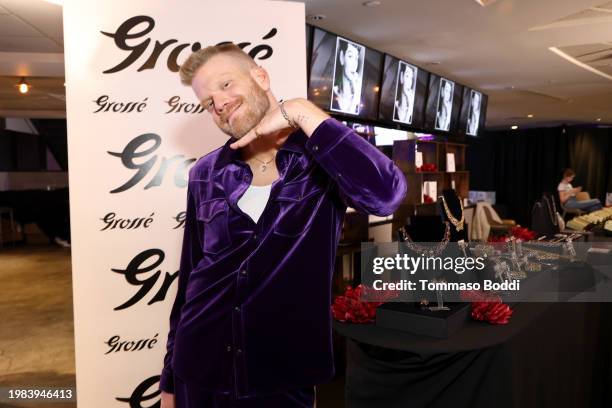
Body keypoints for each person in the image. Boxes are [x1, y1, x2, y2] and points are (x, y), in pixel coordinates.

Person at [159, 43, 406, 408]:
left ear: (260, 76)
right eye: (209, 102)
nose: (220, 103)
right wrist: (170, 379)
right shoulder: (204, 173)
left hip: (283, 373)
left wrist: (301, 112)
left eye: (226, 85)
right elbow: (191, 278)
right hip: (201, 367)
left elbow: (386, 195)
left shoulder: (321, 156)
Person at [331, 39, 363, 114]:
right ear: (342, 57)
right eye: (350, 56)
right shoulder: (334, 90)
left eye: (356, 58)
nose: (354, 64)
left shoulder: (358, 95)